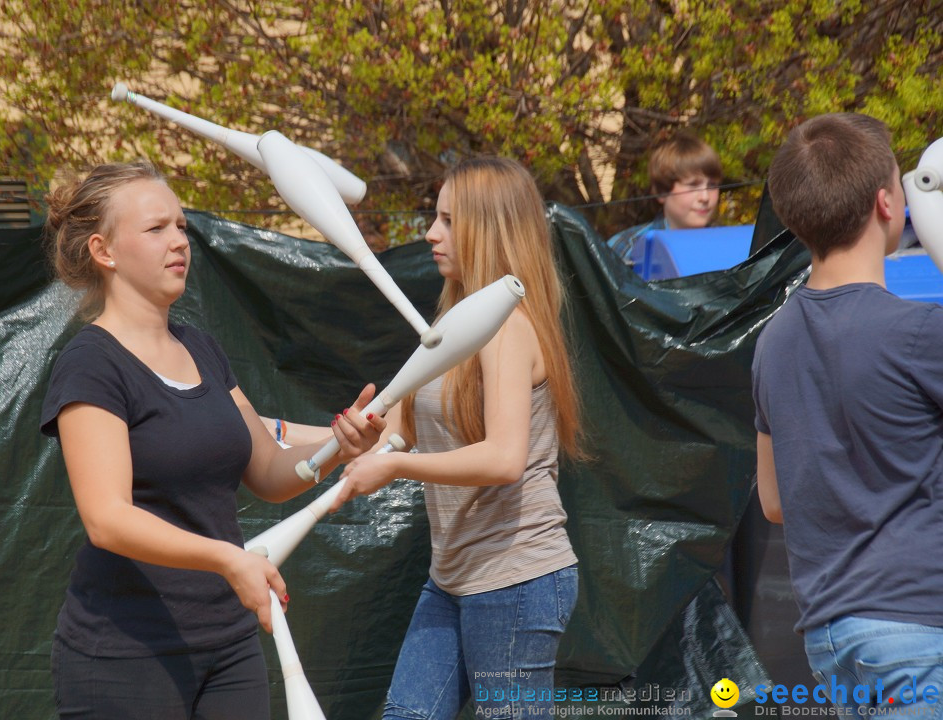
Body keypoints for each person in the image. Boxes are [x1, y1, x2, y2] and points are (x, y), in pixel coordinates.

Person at [39, 159, 385, 719]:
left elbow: (269, 470)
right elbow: (107, 518)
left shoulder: (201, 347)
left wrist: (336, 449)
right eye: (156, 229)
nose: (179, 241)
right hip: (127, 654)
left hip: (229, 644)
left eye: (180, 225)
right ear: (104, 251)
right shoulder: (91, 365)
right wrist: (228, 559)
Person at [333, 156, 586, 719]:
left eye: (447, 219)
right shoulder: (451, 326)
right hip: (451, 575)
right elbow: (388, 437)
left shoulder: (508, 329)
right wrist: (310, 437)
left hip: (517, 577)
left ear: (487, 229)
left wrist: (396, 468)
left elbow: (503, 459)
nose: (430, 232)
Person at [753, 113, 943, 715]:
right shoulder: (917, 332)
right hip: (917, 628)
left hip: (830, 636)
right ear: (889, 204)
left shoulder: (771, 341)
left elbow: (774, 500)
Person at [607, 132, 723, 264]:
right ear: (662, 192)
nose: (705, 197)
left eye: (712, 185)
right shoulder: (625, 249)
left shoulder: (731, 245)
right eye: (693, 185)